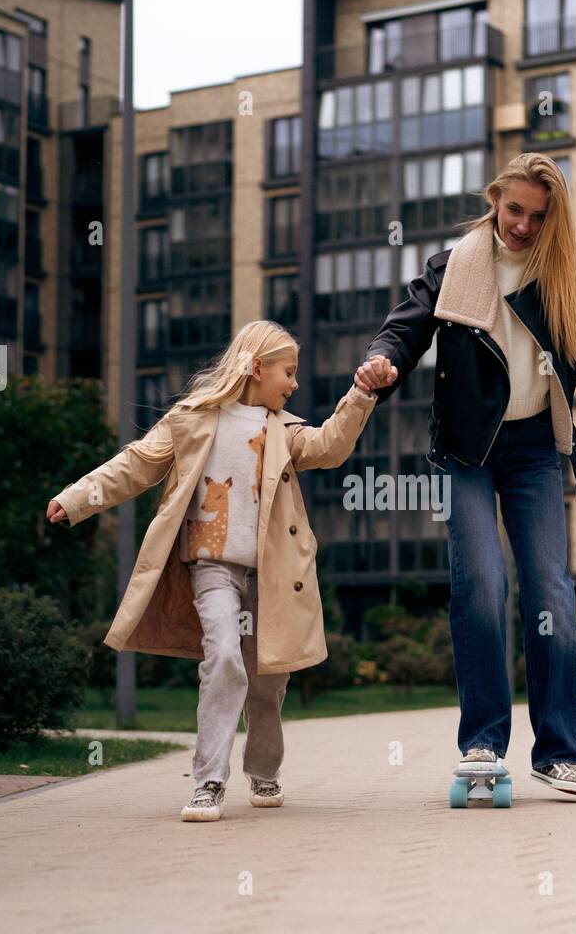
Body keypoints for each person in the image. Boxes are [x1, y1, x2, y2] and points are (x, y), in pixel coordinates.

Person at [354, 151, 576, 803]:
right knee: (482, 583)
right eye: (514, 209)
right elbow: (407, 327)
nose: (522, 225)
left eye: (537, 216)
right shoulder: (457, 263)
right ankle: (483, 741)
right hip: (468, 448)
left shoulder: (564, 274)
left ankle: (558, 754)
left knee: (550, 590)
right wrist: (381, 362)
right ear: (496, 197)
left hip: (533, 450)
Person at [46, 321, 389, 822]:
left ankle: (265, 770)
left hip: (269, 574)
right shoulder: (193, 420)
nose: (294, 384)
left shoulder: (284, 431)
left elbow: (330, 447)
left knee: (268, 680)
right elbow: (136, 463)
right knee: (224, 657)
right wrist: (77, 498)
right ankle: (208, 781)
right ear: (256, 367)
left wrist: (361, 394)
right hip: (211, 566)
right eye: (288, 373)